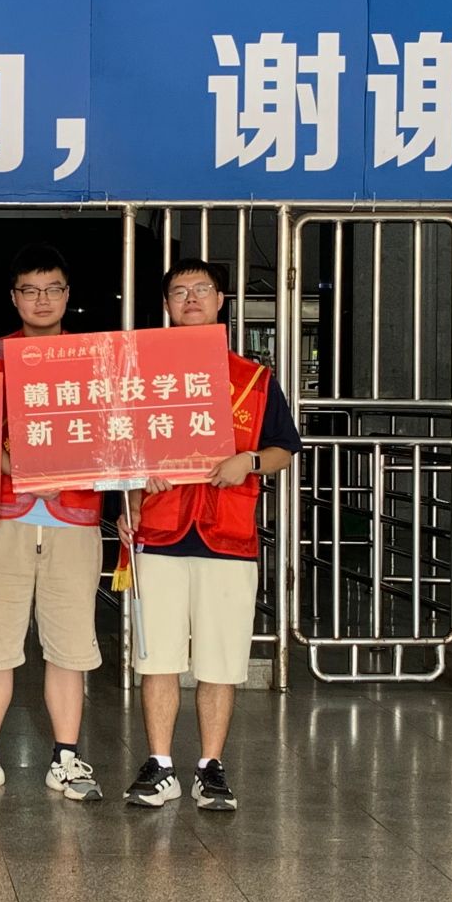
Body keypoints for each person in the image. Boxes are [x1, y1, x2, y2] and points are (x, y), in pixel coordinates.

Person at [120, 259, 299, 813]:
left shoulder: (254, 379)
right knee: (157, 658)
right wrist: (132, 500)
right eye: (180, 291)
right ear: (167, 305)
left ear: (221, 301)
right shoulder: (143, 375)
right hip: (161, 530)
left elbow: (284, 449)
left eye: (202, 289)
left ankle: (210, 766)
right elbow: (121, 452)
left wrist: (249, 460)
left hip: (228, 532)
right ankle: (160, 764)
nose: (191, 298)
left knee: (220, 660)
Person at [0, 243, 105, 803]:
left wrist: (73, 470)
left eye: (53, 289)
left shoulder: (95, 356)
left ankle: (67, 757)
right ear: (14, 297)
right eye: (30, 290)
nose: (42, 300)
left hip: (74, 518)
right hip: (6, 517)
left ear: (68, 295)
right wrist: (20, 467)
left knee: (68, 645)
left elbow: (117, 433)